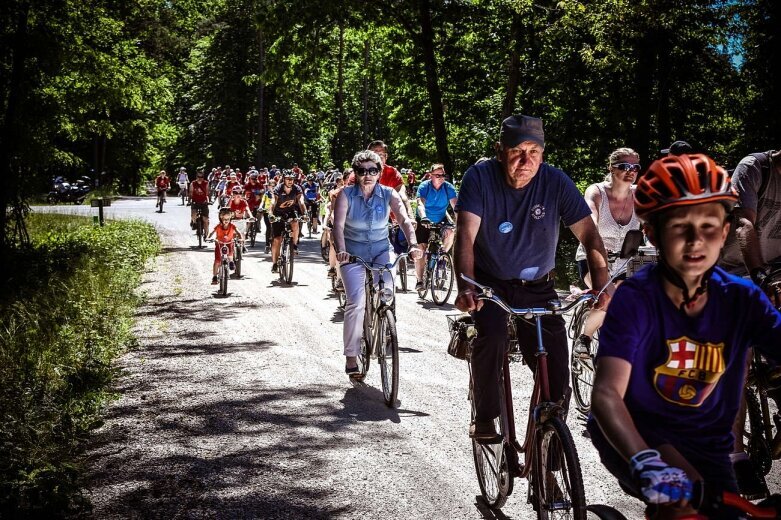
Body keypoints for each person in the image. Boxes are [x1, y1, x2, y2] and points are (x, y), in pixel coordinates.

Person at [588, 153, 781, 518]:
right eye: (679, 227)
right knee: (687, 504)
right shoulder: (637, 299)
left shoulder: (743, 299)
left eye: (708, 226)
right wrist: (645, 460)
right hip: (638, 433)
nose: (696, 241)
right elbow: (607, 394)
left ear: (725, 232)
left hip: (708, 447)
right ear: (653, 234)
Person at [453, 114, 611, 441]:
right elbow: (465, 237)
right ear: (500, 151)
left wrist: (601, 283)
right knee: (492, 336)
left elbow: (591, 237)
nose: (526, 161)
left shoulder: (554, 181)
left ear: (543, 153)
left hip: (538, 286)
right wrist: (466, 286)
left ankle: (551, 461)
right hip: (490, 282)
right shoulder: (479, 178)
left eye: (534, 152)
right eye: (517, 152)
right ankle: (484, 417)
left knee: (554, 372)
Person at [331, 150, 421, 377]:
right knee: (356, 302)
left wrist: (413, 245)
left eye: (373, 170)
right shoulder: (346, 195)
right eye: (362, 171)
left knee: (388, 290)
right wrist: (341, 250)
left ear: (380, 172)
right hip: (352, 254)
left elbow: (404, 220)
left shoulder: (389, 193)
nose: (368, 175)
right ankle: (352, 356)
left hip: (381, 251)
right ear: (356, 173)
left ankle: (384, 326)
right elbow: (338, 227)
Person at [572, 148, 642, 356]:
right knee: (610, 296)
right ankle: (584, 339)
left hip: (626, 260)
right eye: (624, 166)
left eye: (635, 167)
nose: (630, 171)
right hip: (594, 257)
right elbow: (589, 226)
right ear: (611, 168)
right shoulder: (597, 192)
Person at [413, 163, 458, 291]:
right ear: (430, 175)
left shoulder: (448, 188)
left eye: (443, 175)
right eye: (438, 175)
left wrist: (461, 223)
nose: (441, 177)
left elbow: (456, 207)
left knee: (450, 231)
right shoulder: (424, 186)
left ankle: (442, 257)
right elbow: (420, 204)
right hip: (424, 219)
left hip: (440, 219)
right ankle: (420, 280)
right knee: (421, 248)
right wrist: (423, 217)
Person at [270, 171, 307, 272]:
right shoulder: (278, 188)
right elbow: (273, 201)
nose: (290, 181)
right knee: (277, 239)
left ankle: (294, 245)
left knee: (295, 222)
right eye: (288, 178)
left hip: (290, 211)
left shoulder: (297, 188)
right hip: (278, 213)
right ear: (284, 179)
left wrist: (305, 214)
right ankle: (274, 263)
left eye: (292, 179)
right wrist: (270, 214)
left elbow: (301, 201)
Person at [208, 207, 242, 285]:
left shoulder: (232, 226)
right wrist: (208, 237)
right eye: (224, 219)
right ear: (221, 218)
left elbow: (239, 232)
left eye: (228, 219)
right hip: (219, 244)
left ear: (230, 218)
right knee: (217, 260)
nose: (226, 221)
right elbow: (212, 232)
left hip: (229, 243)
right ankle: (214, 276)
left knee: (230, 254)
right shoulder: (218, 226)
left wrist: (241, 238)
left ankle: (231, 262)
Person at [189, 169, 211, 235]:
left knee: (206, 219)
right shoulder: (193, 183)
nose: (200, 178)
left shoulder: (206, 183)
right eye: (198, 177)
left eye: (201, 177)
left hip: (203, 202)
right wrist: (189, 201)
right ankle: (194, 222)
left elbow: (207, 193)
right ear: (196, 177)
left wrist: (209, 201)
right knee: (193, 215)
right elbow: (190, 193)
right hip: (195, 202)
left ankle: (206, 233)